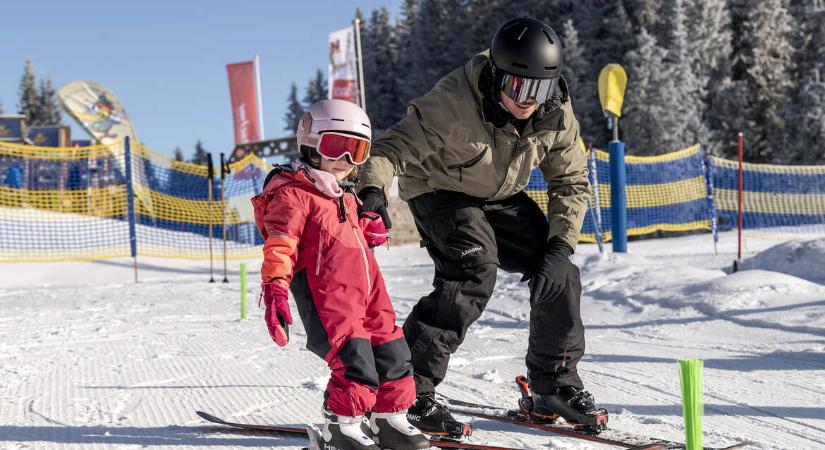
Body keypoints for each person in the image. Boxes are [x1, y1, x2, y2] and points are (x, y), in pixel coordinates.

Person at [357, 17, 606, 438]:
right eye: (518, 87)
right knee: (474, 268)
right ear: (496, 74)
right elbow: (390, 148)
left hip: (498, 194)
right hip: (439, 189)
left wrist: (561, 247)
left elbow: (571, 181)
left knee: (559, 272)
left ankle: (553, 383)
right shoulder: (453, 103)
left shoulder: (555, 111)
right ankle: (406, 387)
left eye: (539, 89)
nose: (527, 100)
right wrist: (373, 192)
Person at [252, 99, 429, 450]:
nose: (346, 162)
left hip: (369, 293)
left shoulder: (345, 197)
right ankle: (340, 426)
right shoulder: (293, 194)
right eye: (337, 147)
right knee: (355, 362)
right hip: (329, 299)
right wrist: (275, 289)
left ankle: (389, 419)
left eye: (357, 151)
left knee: (394, 352)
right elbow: (280, 245)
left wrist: (367, 227)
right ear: (310, 145)